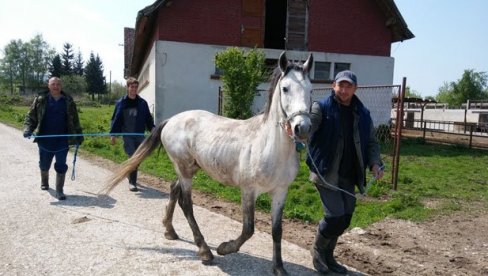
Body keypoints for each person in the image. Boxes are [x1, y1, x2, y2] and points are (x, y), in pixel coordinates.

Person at [306, 70, 384, 274]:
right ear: (334, 86)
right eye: (340, 85)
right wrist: (297, 130)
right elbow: (309, 126)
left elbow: (372, 143)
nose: (344, 89)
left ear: (355, 88)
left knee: (345, 218)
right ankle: (317, 251)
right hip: (325, 171)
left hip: (350, 173)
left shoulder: (363, 114)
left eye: (348, 86)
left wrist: (375, 163)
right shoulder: (321, 107)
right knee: (334, 215)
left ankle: (329, 256)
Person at [23, 77, 84, 200]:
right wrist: (28, 129)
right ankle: (44, 181)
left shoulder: (68, 101)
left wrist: (78, 134)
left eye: (58, 84)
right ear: (48, 85)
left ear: (61, 86)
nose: (56, 86)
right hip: (45, 139)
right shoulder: (40, 100)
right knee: (44, 164)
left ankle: (59, 190)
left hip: (62, 140)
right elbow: (31, 117)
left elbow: (75, 119)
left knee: (61, 164)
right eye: (53, 84)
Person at [110, 77, 155, 192]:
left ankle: (129, 173)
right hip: (128, 135)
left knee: (138, 158)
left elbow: (148, 119)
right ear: (127, 87)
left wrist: (153, 129)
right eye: (132, 87)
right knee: (133, 157)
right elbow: (115, 119)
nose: (134, 89)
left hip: (139, 134)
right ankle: (132, 182)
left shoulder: (142, 103)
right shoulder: (121, 103)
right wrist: (113, 134)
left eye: (136, 87)